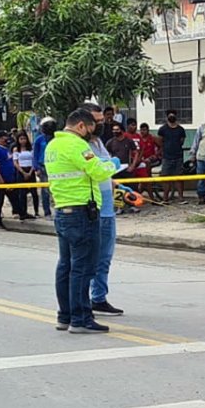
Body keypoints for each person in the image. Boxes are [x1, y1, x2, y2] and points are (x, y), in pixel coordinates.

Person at [46, 106, 118, 334]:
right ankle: (81, 318)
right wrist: (112, 165)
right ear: (80, 126)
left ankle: (64, 315)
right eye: (90, 128)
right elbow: (98, 171)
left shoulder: (53, 145)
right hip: (81, 213)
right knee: (83, 266)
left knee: (65, 265)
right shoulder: (77, 145)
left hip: (62, 209)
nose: (91, 133)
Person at [85, 127, 124, 317]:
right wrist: (109, 166)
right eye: (98, 120)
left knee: (104, 257)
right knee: (89, 258)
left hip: (107, 206)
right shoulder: (80, 145)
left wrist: (117, 184)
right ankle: (81, 303)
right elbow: (94, 170)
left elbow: (106, 171)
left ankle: (98, 298)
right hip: (92, 207)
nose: (102, 124)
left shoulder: (99, 142)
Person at [0, 131, 31, 226]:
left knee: (14, 198)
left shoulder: (7, 149)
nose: (6, 140)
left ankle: (22, 214)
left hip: (9, 179)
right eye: (4, 138)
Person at [157, 109, 188, 204]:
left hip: (178, 156)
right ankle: (165, 198)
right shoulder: (162, 129)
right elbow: (160, 141)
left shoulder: (181, 130)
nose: (171, 117)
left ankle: (180, 198)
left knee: (179, 178)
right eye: (169, 115)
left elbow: (182, 141)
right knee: (166, 178)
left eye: (173, 115)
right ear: (167, 117)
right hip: (166, 156)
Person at [32, 117, 56, 216]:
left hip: (55, 166)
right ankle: (47, 212)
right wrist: (36, 167)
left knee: (55, 189)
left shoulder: (57, 138)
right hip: (43, 167)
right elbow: (35, 154)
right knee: (45, 191)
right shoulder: (39, 139)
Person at [14, 131, 41, 216]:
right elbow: (15, 162)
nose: (23, 141)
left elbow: (34, 160)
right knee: (22, 193)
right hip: (21, 171)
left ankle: (36, 211)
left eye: (24, 139)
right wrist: (23, 172)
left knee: (34, 193)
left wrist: (30, 172)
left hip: (30, 170)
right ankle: (23, 212)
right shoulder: (16, 149)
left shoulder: (31, 149)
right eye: (21, 139)